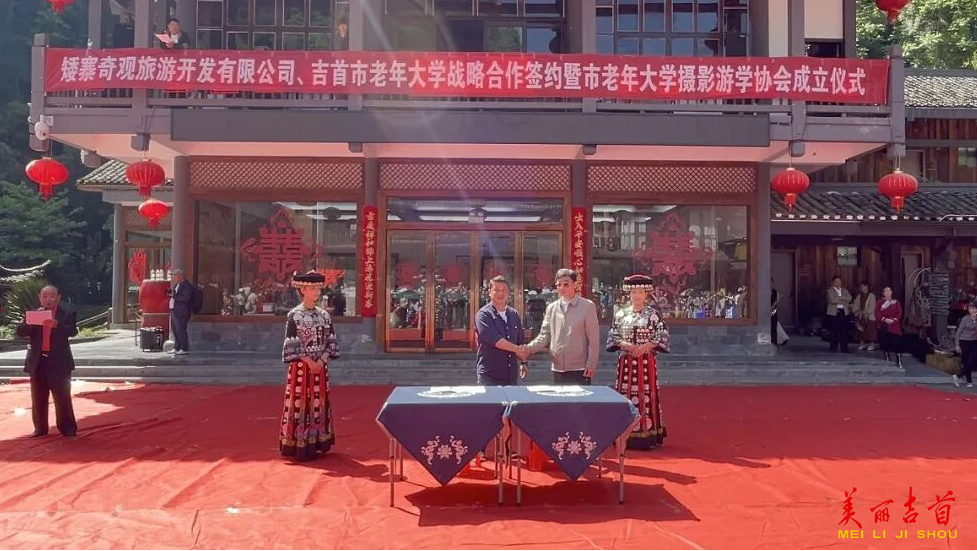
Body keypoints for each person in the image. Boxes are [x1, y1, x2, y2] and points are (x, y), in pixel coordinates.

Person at [280, 271, 340, 461]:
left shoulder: (324, 315)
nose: (316, 292)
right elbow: (292, 343)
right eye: (312, 288)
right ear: (303, 290)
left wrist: (321, 360)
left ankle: (318, 440)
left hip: (320, 367)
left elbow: (331, 341)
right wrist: (309, 361)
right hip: (301, 367)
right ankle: (298, 442)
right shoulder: (295, 315)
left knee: (318, 402)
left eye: (318, 289)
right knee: (300, 402)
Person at [606, 274, 670, 450]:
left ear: (646, 294)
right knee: (624, 395)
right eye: (634, 292)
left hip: (646, 362)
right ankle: (623, 433)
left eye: (640, 292)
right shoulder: (621, 314)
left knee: (646, 394)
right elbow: (613, 334)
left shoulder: (653, 315)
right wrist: (626, 345)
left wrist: (646, 346)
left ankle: (648, 433)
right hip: (626, 362)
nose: (637, 295)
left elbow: (662, 334)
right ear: (629, 294)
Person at [16, 285, 78, 438]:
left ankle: (68, 428)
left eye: (52, 295)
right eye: (44, 296)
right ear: (40, 298)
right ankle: (40, 428)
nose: (48, 299)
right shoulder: (34, 314)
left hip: (59, 361)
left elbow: (72, 331)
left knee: (62, 396)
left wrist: (57, 325)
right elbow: (20, 332)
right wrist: (31, 322)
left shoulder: (67, 313)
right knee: (38, 397)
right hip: (38, 362)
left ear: (58, 297)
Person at [524, 269, 600, 385]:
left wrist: (591, 364)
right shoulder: (552, 308)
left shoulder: (587, 306)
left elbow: (593, 339)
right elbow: (544, 335)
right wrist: (528, 349)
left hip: (579, 368)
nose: (562, 288)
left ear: (575, 284)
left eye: (566, 284)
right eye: (559, 285)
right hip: (558, 367)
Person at [475, 275, 526, 386]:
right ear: (489, 292)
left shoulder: (514, 315)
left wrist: (524, 362)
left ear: (508, 293)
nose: (500, 293)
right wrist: (518, 349)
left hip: (511, 376)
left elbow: (520, 340)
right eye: (496, 290)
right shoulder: (483, 315)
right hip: (489, 377)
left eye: (504, 290)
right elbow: (496, 340)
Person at [875, 286, 904, 368]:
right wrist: (884, 319)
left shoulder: (896, 302)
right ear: (883, 293)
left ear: (891, 292)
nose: (887, 293)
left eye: (889, 291)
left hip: (894, 324)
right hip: (884, 324)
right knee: (885, 342)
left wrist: (894, 319)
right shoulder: (880, 302)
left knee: (897, 342)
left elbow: (899, 312)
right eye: (886, 291)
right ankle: (887, 359)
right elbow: (877, 313)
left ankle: (899, 360)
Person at [953, 300, 977, 388]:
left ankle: (958, 376)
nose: (971, 310)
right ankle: (969, 381)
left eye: (973, 309)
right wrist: (957, 345)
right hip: (964, 340)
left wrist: (975, 320)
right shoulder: (965, 319)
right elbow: (958, 332)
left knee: (973, 360)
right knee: (966, 361)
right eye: (970, 309)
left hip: (973, 341)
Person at [825, 276, 853, 353]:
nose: (838, 283)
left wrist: (839, 298)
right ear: (833, 282)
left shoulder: (845, 290)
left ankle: (844, 348)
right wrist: (843, 299)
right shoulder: (830, 290)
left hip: (844, 312)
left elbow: (850, 298)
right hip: (834, 313)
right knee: (834, 330)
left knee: (844, 331)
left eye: (839, 281)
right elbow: (833, 300)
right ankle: (833, 347)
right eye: (836, 281)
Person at [169, 269, 193, 355]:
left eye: (175, 276)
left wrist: (174, 296)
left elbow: (185, 298)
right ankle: (177, 347)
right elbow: (174, 295)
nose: (174, 278)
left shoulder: (186, 286)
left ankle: (184, 348)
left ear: (180, 276)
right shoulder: (176, 285)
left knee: (181, 330)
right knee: (175, 330)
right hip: (174, 311)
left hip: (181, 312)